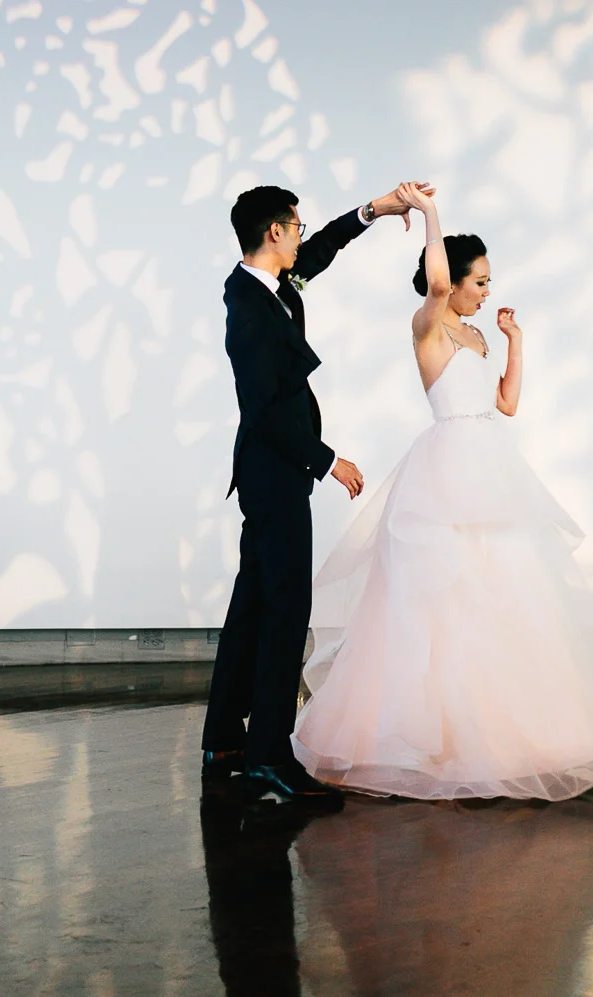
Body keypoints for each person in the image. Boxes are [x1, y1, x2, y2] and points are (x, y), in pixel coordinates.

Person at [292, 184, 593, 800]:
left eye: (487, 282)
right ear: (453, 282)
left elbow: (506, 403)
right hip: (447, 468)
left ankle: (511, 733)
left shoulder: (476, 336)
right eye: (479, 281)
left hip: (490, 465)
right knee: (441, 597)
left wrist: (515, 340)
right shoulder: (429, 327)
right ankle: (436, 739)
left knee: (504, 592)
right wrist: (429, 214)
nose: (485, 291)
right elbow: (434, 287)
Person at [201, 181, 430, 810]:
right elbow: (263, 410)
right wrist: (327, 460)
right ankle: (269, 757)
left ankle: (225, 742)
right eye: (296, 227)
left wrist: (373, 211)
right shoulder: (251, 309)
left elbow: (321, 252)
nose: (302, 236)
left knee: (252, 607)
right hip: (274, 476)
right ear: (274, 232)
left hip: (272, 474)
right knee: (284, 612)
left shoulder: (268, 286)